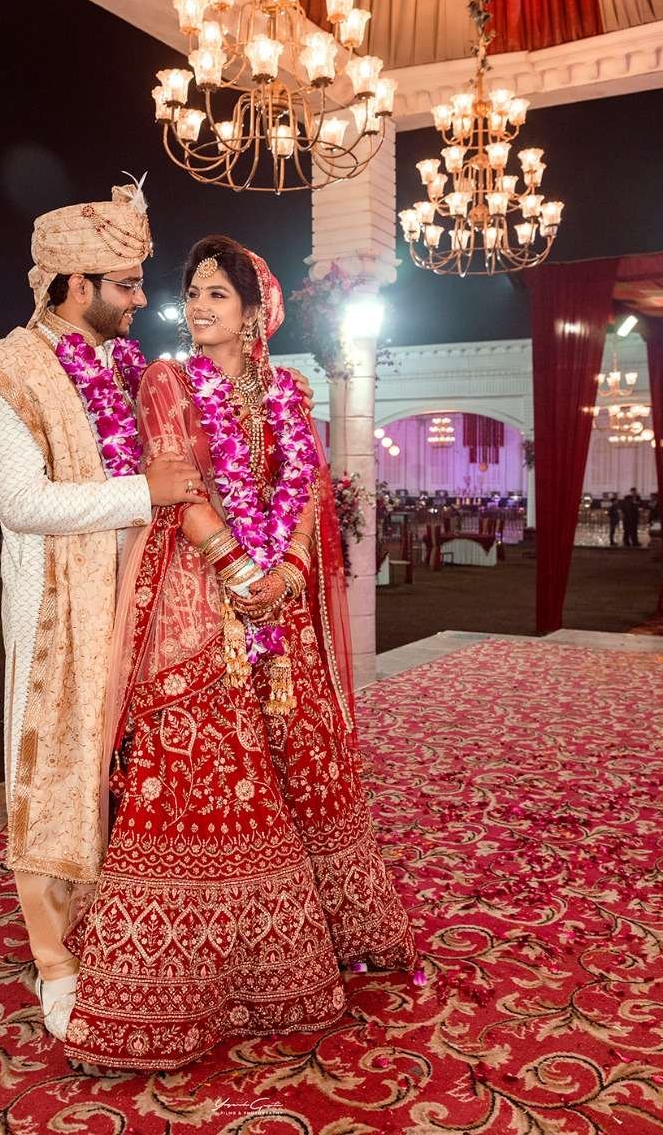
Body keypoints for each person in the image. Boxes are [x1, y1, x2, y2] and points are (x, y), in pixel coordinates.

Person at [64, 236, 414, 1072]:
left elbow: (307, 488)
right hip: (197, 597)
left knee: (301, 755)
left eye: (217, 293)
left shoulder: (288, 389)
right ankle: (170, 987)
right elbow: (172, 478)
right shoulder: (167, 381)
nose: (198, 305)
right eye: (193, 291)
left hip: (279, 609)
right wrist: (235, 564)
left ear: (256, 313)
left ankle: (321, 945)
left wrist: (286, 567)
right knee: (204, 768)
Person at [0, 181, 207, 1038]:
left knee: (125, 764)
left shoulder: (120, 368)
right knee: (54, 769)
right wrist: (145, 492)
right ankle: (53, 959)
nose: (140, 300)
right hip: (54, 606)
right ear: (75, 285)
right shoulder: (13, 371)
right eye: (126, 284)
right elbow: (22, 503)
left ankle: (113, 918)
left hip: (135, 595)